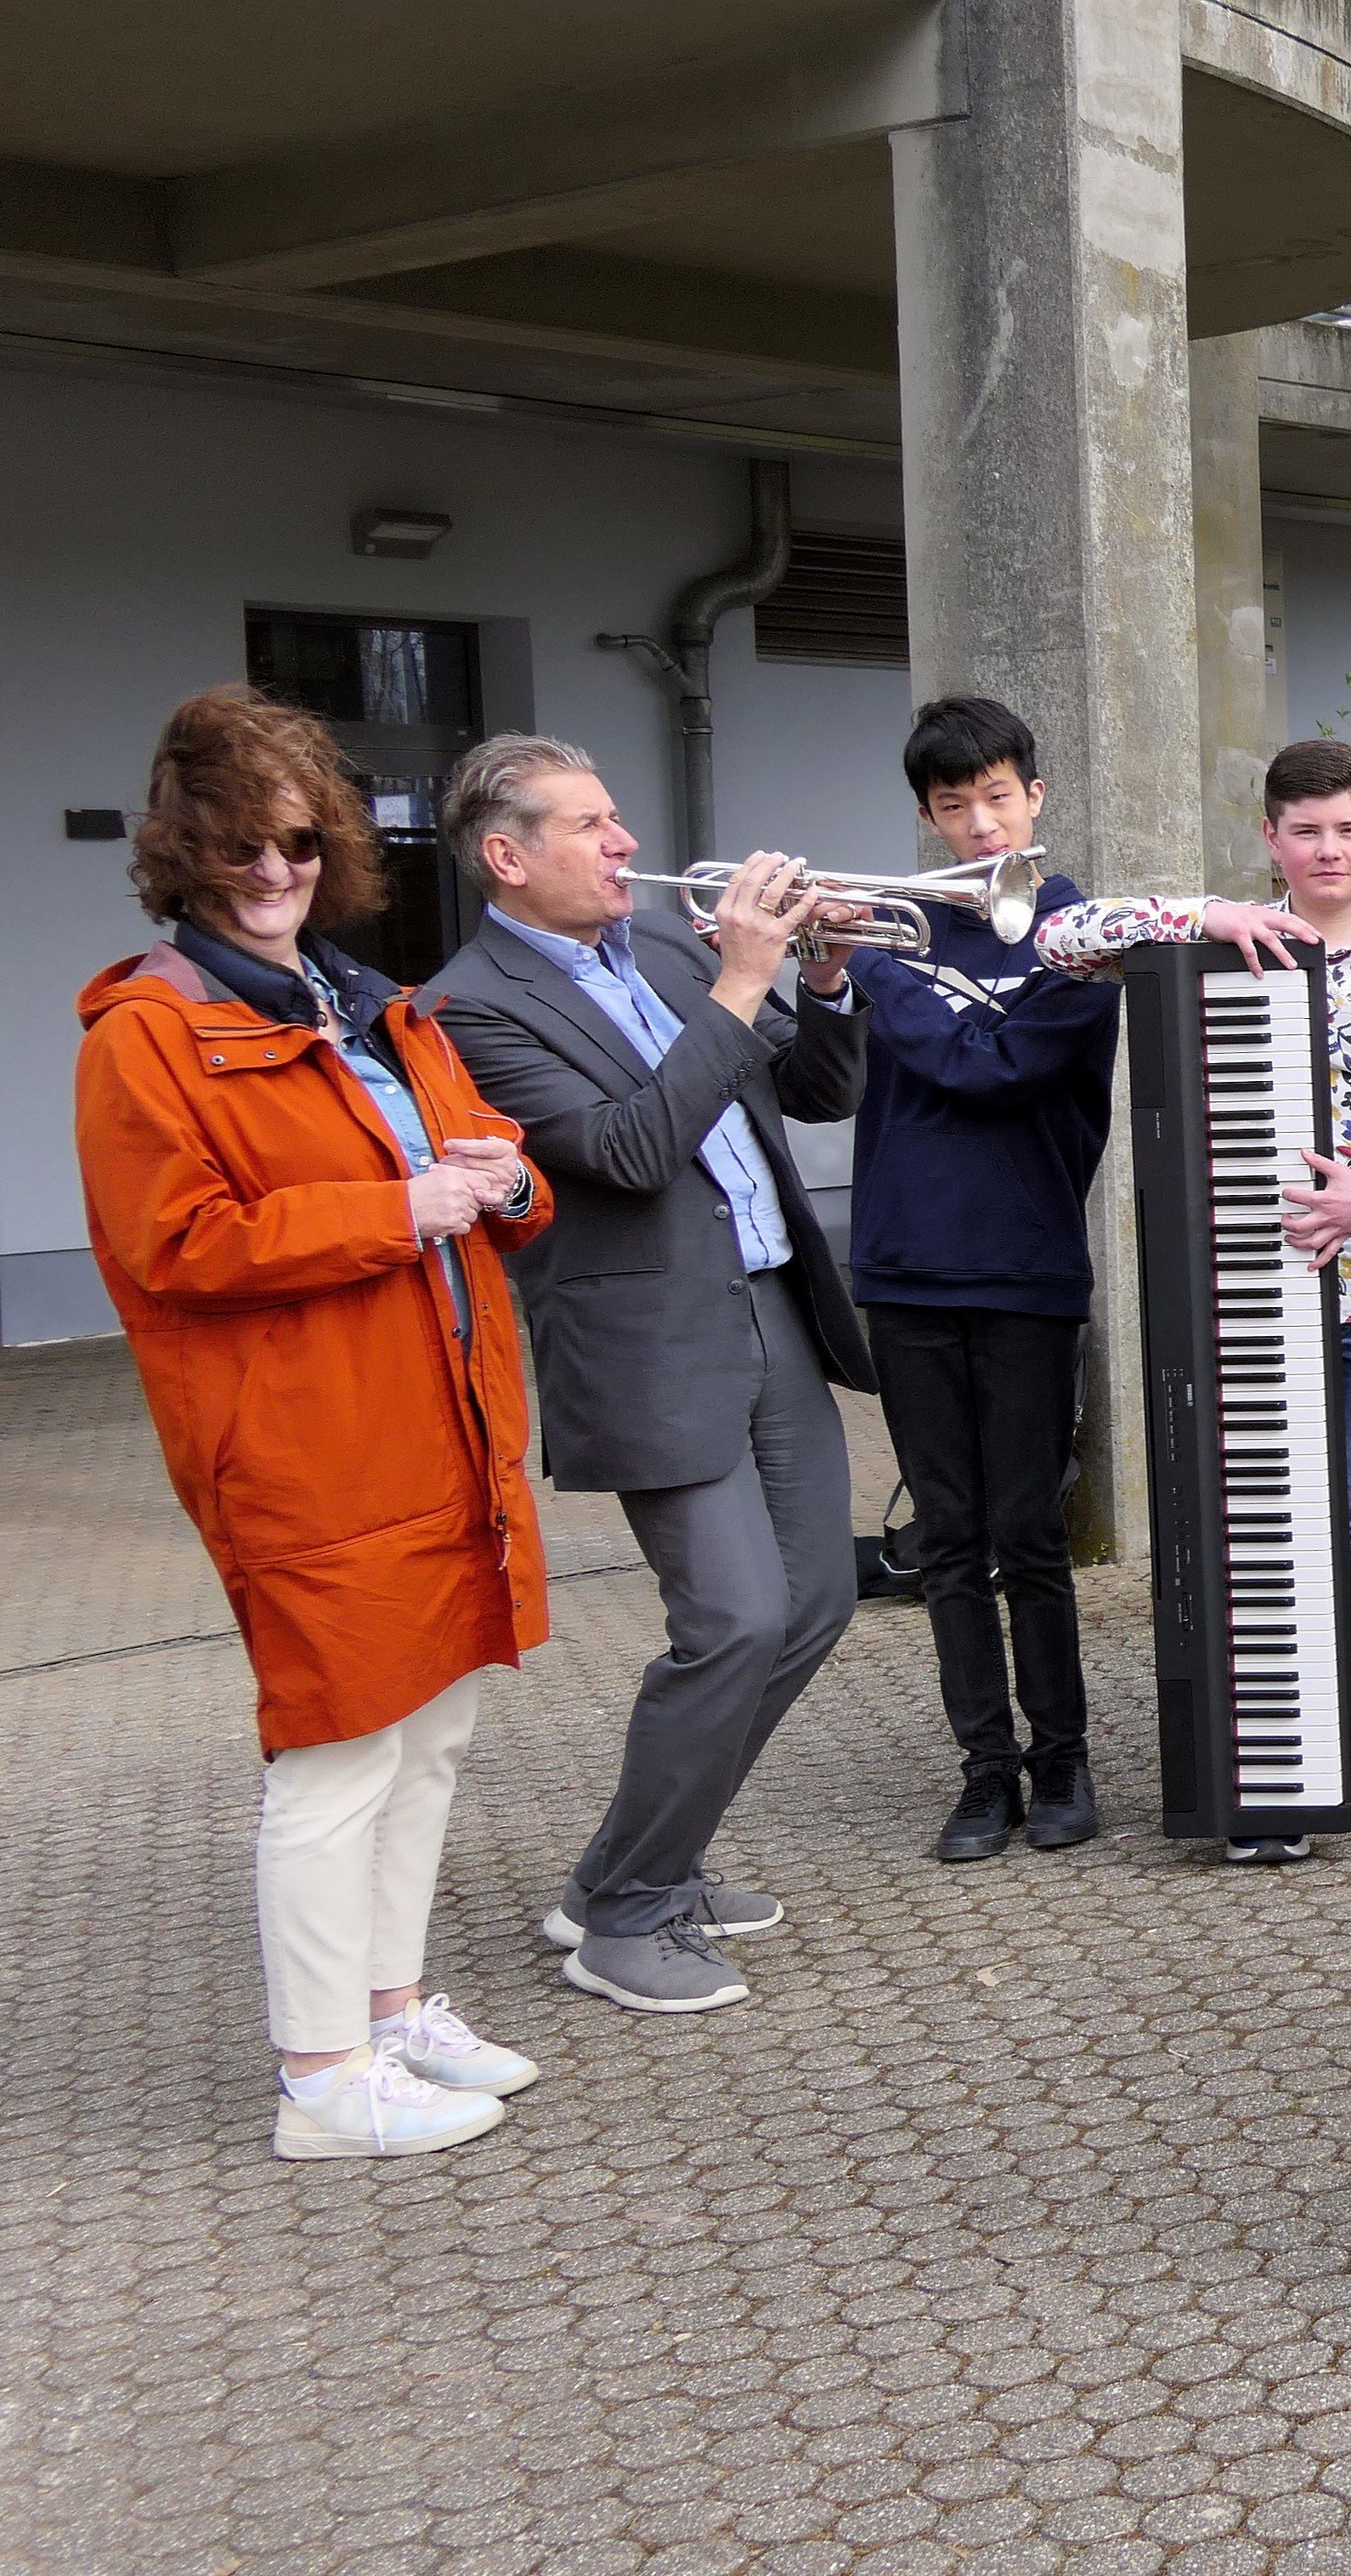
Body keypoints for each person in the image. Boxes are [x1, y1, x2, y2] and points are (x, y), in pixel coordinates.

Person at [76, 687, 554, 2156]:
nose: (274, 874)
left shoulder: (372, 1005)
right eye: (239, 854)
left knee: (431, 1740)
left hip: (446, 1428)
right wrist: (403, 1205)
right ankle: (320, 2077)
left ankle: (392, 2007)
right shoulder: (145, 1032)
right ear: (184, 859)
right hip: (308, 1450)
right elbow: (176, 1247)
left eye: (295, 844)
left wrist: (503, 1181)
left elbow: (504, 1173)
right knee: (338, 1757)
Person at [426, 735, 864, 2016]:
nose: (626, 843)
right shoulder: (473, 1007)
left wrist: (823, 972)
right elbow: (625, 1149)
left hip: (770, 1304)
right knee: (730, 1621)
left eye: (619, 817)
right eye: (591, 825)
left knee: (816, 1602)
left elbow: (821, 1089)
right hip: (645, 1342)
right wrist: (741, 982)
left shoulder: (670, 952)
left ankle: (636, 1865)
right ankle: (623, 1917)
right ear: (508, 857)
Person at [1032, 741, 1351, 1840]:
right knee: (1255, 1517)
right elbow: (1057, 940)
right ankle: (1273, 1748)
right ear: (1272, 838)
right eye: (1306, 830)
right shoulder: (1233, 946)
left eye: (1348, 830)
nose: (1329, 850)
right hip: (1245, 1295)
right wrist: (1196, 916)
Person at [843, 699, 1111, 1865]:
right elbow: (819, 1077)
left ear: (1035, 796)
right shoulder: (897, 925)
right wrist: (817, 972)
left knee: (1027, 1536)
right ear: (925, 814)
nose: (978, 821)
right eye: (953, 806)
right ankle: (983, 1772)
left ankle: (1063, 1761)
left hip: (1024, 1261)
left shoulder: (1085, 935)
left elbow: (989, 1065)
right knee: (947, 1539)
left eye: (996, 796)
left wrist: (870, 968)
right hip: (904, 1265)